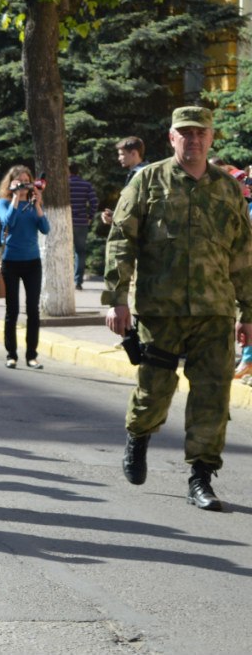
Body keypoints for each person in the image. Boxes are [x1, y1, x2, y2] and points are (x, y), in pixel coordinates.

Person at [104, 106, 252, 512]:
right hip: (160, 310)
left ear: (211, 137)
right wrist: (117, 299)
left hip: (215, 311)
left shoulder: (228, 188)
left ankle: (201, 477)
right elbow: (121, 240)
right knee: (154, 390)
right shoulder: (148, 180)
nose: (194, 140)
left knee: (213, 395)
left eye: (201, 133)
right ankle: (138, 436)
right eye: (185, 133)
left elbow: (244, 255)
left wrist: (248, 312)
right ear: (172, 138)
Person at [0, 165, 49, 369]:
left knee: (33, 310)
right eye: (19, 182)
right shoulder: (4, 202)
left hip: (32, 262)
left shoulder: (34, 203)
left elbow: (45, 229)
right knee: (13, 310)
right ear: (11, 183)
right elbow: (8, 221)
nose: (24, 185)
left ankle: (32, 356)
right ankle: (11, 355)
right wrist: (16, 198)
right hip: (11, 262)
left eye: (27, 181)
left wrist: (38, 205)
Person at [100, 136, 147, 225]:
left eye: (122, 154)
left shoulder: (143, 174)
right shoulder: (136, 173)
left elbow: (140, 208)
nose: (119, 158)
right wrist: (115, 215)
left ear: (134, 153)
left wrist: (118, 219)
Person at [68, 167, 98, 290]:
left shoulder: (63, 185)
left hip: (65, 223)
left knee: (64, 252)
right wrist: (90, 216)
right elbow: (94, 202)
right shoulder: (86, 185)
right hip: (81, 223)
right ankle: (78, 282)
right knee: (80, 252)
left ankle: (65, 280)